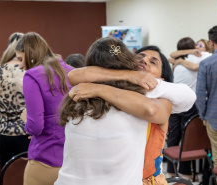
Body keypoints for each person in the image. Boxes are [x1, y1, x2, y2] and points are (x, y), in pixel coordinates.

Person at [57, 40, 196, 185]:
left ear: (162, 79)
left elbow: (176, 100)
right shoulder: (99, 91)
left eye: (153, 62)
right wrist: (127, 76)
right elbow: (74, 75)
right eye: (140, 57)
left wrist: (99, 89)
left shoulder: (159, 97)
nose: (144, 61)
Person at [16, 32, 73, 185]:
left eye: (21, 59)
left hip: (45, 157)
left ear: (31, 55)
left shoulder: (32, 75)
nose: (21, 65)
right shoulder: (71, 71)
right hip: (72, 157)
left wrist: (26, 120)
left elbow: (35, 126)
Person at [166, 37, 204, 179]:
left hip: (174, 102)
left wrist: (180, 60)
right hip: (189, 103)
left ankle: (170, 171)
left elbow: (172, 55)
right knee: (187, 137)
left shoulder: (176, 62)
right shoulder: (195, 59)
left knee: (173, 136)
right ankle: (186, 173)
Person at [196, 25, 217, 185]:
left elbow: (200, 96)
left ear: (211, 42)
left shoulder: (206, 64)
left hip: (216, 120)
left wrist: (203, 115)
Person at [0, 32, 30, 168]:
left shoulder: (0, 70)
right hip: (25, 132)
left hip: (2, 133)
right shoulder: (29, 71)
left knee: (7, 175)